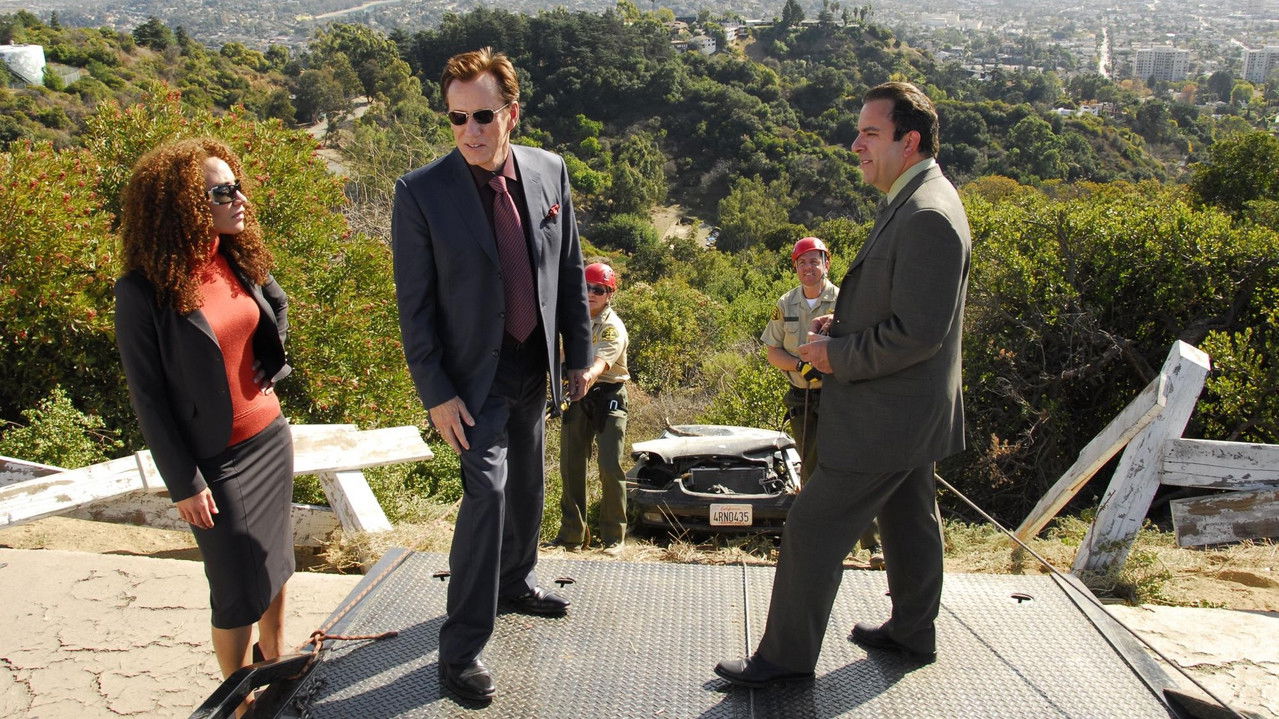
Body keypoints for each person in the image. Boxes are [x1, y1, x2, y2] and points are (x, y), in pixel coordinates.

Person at [715, 81, 971, 686]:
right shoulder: (916, 198)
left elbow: (919, 334)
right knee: (909, 518)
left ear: (909, 141)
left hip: (887, 414)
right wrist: (847, 321)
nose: (855, 145)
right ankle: (912, 632)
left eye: (870, 134)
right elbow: (902, 305)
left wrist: (837, 355)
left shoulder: (928, 214)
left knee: (813, 526)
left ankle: (784, 660)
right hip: (910, 410)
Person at [390, 47, 592, 704]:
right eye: (457, 118)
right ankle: (460, 650)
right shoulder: (421, 193)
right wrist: (437, 393)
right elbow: (415, 308)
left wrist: (578, 354)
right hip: (472, 380)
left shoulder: (549, 170)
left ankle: (514, 582)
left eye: (482, 116)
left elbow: (568, 268)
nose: (469, 131)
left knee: (528, 485)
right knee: (487, 495)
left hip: (535, 363)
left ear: (511, 113)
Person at [114, 137, 295, 702]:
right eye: (222, 192)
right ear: (184, 205)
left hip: (270, 439)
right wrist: (185, 484)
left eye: (237, 186)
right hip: (215, 459)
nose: (240, 199)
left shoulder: (235, 256)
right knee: (236, 588)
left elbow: (277, 304)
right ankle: (237, 700)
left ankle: (277, 665)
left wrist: (272, 358)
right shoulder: (142, 290)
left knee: (276, 563)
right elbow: (148, 398)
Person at [761, 237, 882, 568]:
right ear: (795, 267)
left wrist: (832, 365)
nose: (808, 268)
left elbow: (860, 346)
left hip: (840, 396)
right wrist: (800, 366)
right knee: (812, 473)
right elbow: (773, 351)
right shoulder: (785, 304)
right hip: (803, 397)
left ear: (827, 264)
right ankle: (818, 546)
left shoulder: (844, 301)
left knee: (852, 465)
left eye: (814, 261)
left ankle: (874, 545)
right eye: (801, 262)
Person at [554, 261, 630, 554]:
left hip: (608, 393)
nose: (591, 294)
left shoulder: (612, 327)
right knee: (571, 464)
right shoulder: (573, 321)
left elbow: (600, 363)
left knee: (609, 465)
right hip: (577, 394)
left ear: (609, 294)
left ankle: (613, 537)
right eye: (586, 287)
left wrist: (586, 376)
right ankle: (571, 536)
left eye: (598, 289)